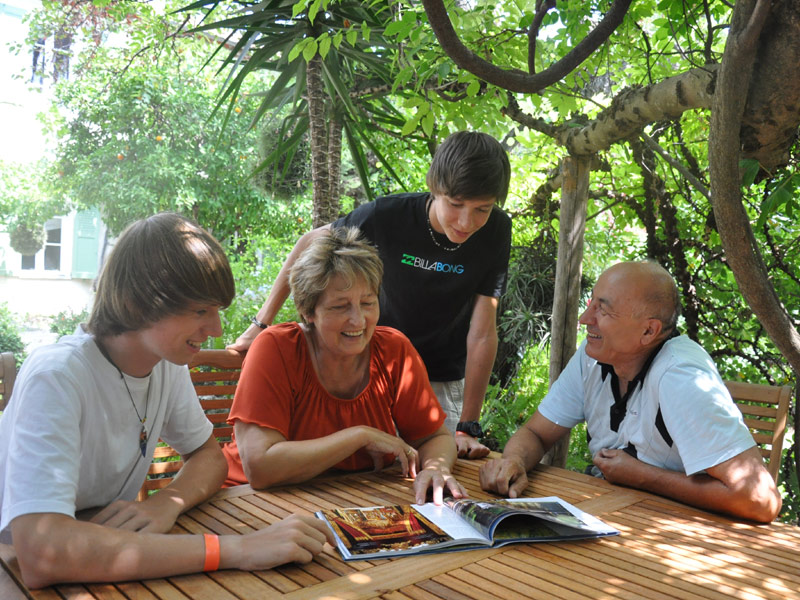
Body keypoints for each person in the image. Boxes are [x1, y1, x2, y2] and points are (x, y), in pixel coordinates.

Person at [0, 213, 333, 589]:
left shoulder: (164, 364)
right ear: (135, 302)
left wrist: (168, 502)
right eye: (199, 311)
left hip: (98, 557)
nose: (217, 330)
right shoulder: (58, 376)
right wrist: (236, 549)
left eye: (217, 311)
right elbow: (42, 553)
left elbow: (208, 458)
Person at [229, 131, 512, 460]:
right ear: (435, 187)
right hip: (378, 373)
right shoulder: (387, 216)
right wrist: (259, 325)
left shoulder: (496, 231)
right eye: (455, 204)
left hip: (440, 381)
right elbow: (311, 243)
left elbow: (482, 332)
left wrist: (468, 425)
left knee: (436, 479)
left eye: (482, 209)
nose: (466, 222)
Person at [479, 261, 782, 523]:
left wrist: (645, 477)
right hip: (615, 518)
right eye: (591, 303)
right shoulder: (592, 357)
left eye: (604, 311)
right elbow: (537, 433)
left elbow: (760, 500)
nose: (586, 320)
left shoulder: (680, 376)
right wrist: (515, 461)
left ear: (649, 331)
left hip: (683, 540)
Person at [222, 227, 465, 505]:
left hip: (352, 499)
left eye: (367, 303)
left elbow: (434, 437)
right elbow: (260, 468)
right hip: (246, 500)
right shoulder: (277, 348)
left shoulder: (394, 350)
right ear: (308, 311)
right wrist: (359, 436)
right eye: (340, 307)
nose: (358, 320)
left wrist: (436, 468)